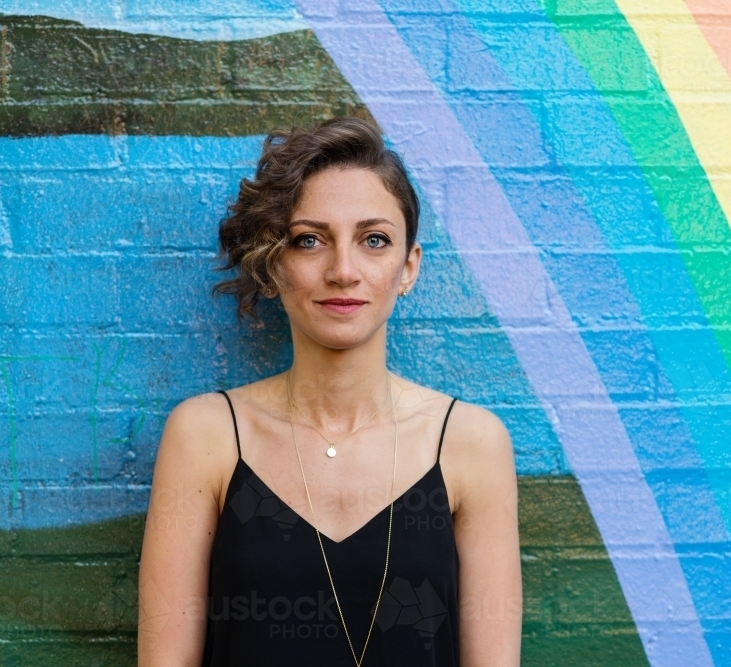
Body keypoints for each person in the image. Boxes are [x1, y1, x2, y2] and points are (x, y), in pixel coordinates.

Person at [137, 117, 522, 666]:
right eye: (309, 240)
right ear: (273, 266)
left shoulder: (471, 444)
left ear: (408, 267)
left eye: (374, 240)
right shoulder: (206, 436)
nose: (343, 271)